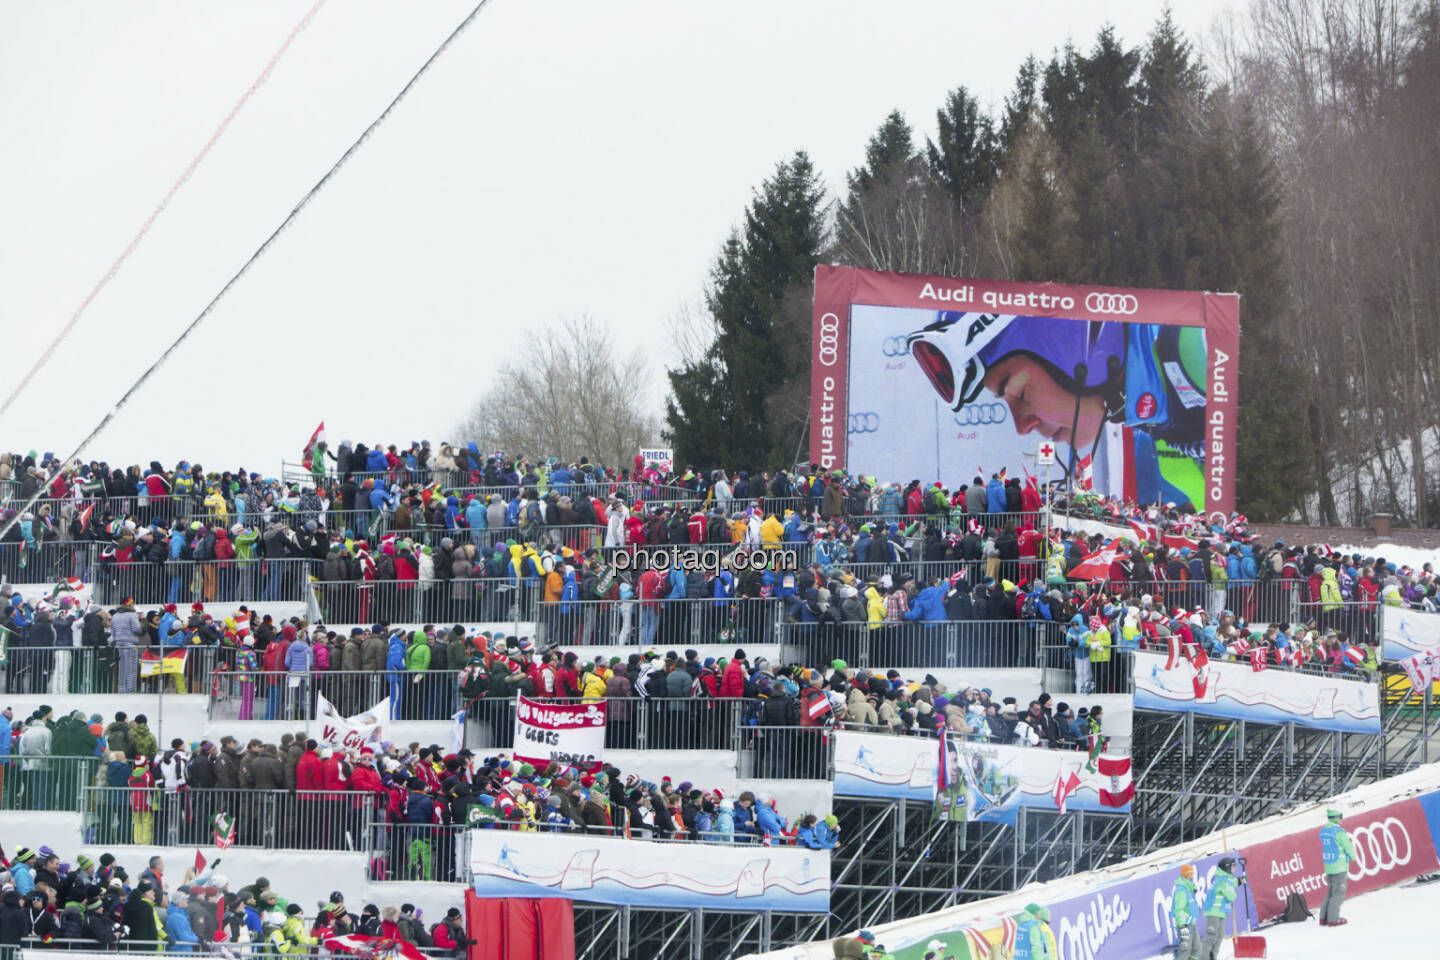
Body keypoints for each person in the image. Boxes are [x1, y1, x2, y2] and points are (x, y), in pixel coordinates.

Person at [1318, 807, 1355, 926]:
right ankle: (1333, 919)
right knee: (1338, 893)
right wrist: (1353, 857)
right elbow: (1348, 846)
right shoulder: (1339, 832)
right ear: (1336, 819)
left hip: (1329, 866)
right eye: (1340, 817)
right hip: (1339, 866)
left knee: (1330, 892)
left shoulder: (1324, 831)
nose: (1342, 819)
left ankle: (1323, 918)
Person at [1199, 856, 1238, 960]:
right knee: (1211, 936)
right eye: (1233, 867)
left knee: (1219, 936)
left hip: (1220, 912)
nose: (1234, 869)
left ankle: (1212, 957)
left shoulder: (1224, 879)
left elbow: (1231, 882)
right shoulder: (1222, 881)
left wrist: (1239, 881)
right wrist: (1233, 883)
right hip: (1213, 912)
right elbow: (1232, 895)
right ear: (1227, 868)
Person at [1171, 864, 1201, 960]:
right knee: (1185, 951)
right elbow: (1179, 909)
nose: (1193, 874)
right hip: (1185, 925)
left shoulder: (1188, 887)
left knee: (1197, 949)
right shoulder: (1181, 890)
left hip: (1191, 922)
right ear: (1187, 874)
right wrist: (1182, 925)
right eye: (1191, 872)